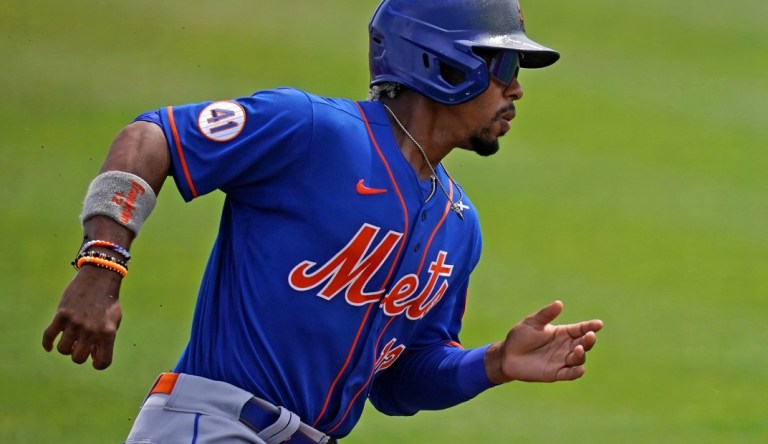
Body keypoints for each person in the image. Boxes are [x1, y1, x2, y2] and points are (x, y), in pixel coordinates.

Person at [42, 1, 603, 442]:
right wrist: (101, 264)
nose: (516, 88)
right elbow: (151, 139)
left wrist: (495, 363)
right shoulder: (312, 130)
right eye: (501, 65)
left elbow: (399, 381)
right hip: (213, 428)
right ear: (440, 60)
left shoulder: (460, 224)